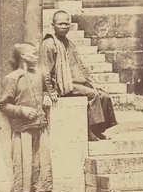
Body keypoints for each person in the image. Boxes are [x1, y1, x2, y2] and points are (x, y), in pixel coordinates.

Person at [41, 10, 117, 141]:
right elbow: (45, 70)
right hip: (62, 85)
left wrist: (93, 82)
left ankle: (98, 130)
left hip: (76, 82)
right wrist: (50, 91)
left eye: (66, 24)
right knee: (93, 95)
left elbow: (81, 66)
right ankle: (90, 132)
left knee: (104, 95)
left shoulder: (69, 43)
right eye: (60, 24)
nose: (64, 27)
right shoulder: (49, 43)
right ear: (52, 25)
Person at [0, 41, 52, 192]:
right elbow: (4, 104)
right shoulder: (12, 78)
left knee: (42, 166)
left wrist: (47, 96)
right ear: (23, 56)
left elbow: (48, 89)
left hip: (40, 126)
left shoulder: (39, 75)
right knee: (22, 167)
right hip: (22, 130)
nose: (37, 57)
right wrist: (21, 110)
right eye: (33, 54)